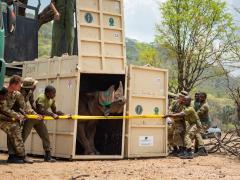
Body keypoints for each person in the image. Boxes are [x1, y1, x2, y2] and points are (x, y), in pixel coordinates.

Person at [24, 85, 65, 162]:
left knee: (45, 136)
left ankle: (48, 156)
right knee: (24, 136)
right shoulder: (42, 97)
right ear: (47, 93)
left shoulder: (52, 100)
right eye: (53, 93)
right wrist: (52, 115)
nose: (54, 95)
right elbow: (40, 110)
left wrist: (64, 115)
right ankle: (19, 155)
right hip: (32, 118)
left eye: (55, 93)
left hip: (40, 120)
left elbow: (55, 111)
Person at [5, 75, 34, 163]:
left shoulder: (16, 94)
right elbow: (4, 108)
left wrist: (35, 114)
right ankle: (18, 156)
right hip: (3, 116)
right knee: (13, 128)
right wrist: (17, 115)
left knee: (14, 127)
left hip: (7, 117)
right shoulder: (2, 91)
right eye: (19, 85)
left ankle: (16, 156)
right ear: (14, 84)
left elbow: (25, 106)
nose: (20, 87)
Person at [0, 87, 27, 163]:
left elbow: (5, 110)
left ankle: (20, 155)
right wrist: (15, 117)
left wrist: (15, 117)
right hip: (3, 119)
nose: (5, 98)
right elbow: (5, 111)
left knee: (14, 127)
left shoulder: (2, 100)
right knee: (13, 128)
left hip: (3, 119)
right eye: (5, 96)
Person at [168, 91, 188, 155]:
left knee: (178, 134)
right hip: (174, 121)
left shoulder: (185, 105)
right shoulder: (175, 102)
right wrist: (172, 114)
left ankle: (181, 149)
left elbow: (182, 115)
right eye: (179, 96)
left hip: (181, 122)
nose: (180, 98)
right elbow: (170, 109)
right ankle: (175, 149)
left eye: (181, 97)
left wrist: (173, 115)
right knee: (169, 134)